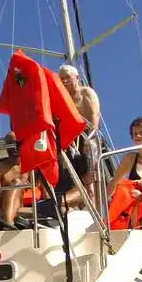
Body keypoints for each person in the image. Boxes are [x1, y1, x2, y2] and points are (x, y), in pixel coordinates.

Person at [57, 64, 102, 198]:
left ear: (77, 77)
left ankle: (94, 206)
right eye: (62, 78)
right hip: (72, 141)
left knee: (90, 180)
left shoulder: (86, 92)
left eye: (68, 77)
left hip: (88, 137)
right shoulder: (63, 98)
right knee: (73, 178)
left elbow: (95, 114)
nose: (65, 81)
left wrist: (91, 138)